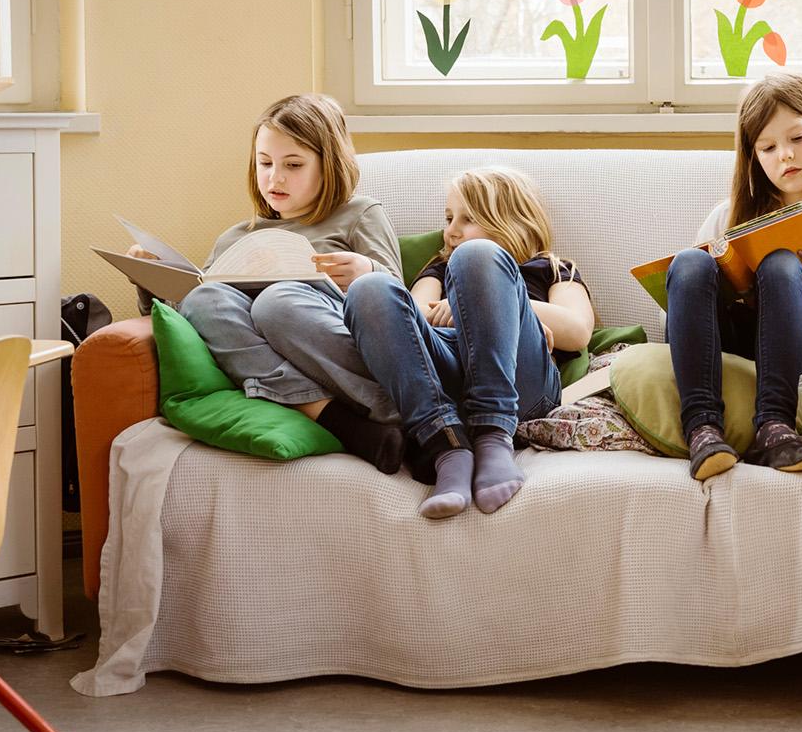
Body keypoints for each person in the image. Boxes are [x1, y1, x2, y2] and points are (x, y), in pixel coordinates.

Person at [128, 93, 407, 472]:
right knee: (205, 299)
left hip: (337, 345)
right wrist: (150, 282)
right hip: (270, 359)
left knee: (278, 300)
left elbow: (398, 303)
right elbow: (197, 326)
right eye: (264, 163)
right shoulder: (235, 237)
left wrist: (365, 271)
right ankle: (325, 415)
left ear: (329, 166)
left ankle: (378, 414)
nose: (275, 178)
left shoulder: (358, 215)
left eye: (293, 165)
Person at [343, 166, 594, 518]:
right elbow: (410, 318)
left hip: (522, 384)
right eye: (448, 218)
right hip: (447, 380)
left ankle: (494, 436)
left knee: (476, 256)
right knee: (368, 290)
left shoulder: (552, 269)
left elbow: (578, 330)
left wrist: (514, 306)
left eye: (467, 218)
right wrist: (459, 306)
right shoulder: (439, 269)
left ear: (513, 221)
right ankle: (446, 444)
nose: (451, 231)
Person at [669, 71, 802, 479]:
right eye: (768, 147)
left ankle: (775, 428)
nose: (786, 155)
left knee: (781, 263)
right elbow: (679, 317)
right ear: (753, 157)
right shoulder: (725, 216)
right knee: (689, 263)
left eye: (798, 138)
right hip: (724, 348)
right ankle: (703, 430)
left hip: (791, 359)